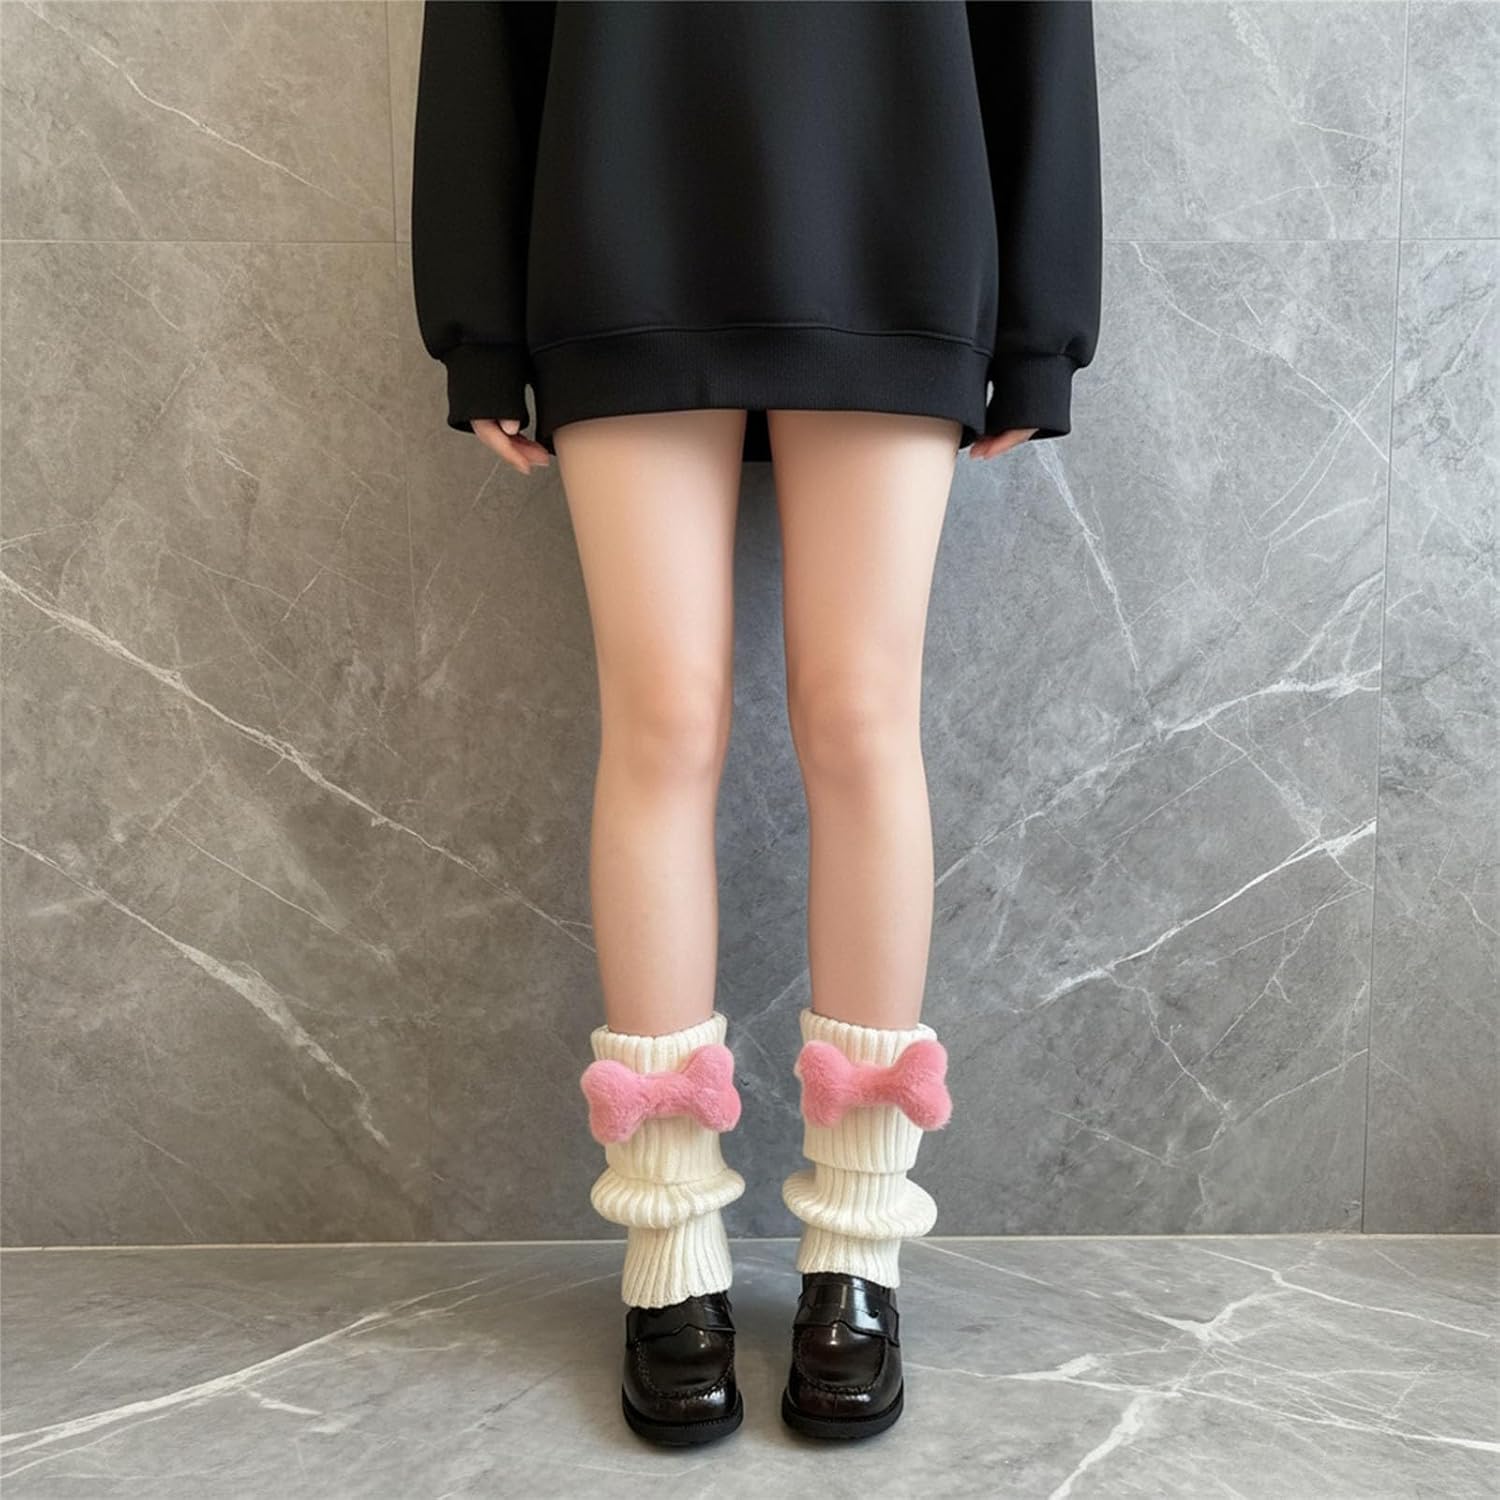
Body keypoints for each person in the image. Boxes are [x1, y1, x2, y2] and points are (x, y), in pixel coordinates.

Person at [411, 0, 1101, 1446]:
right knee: (663, 720)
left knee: (859, 719)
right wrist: (478, 316)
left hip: (895, 209)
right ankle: (668, 1241)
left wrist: (1041, 324)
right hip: (620, 204)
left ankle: (860, 1245)